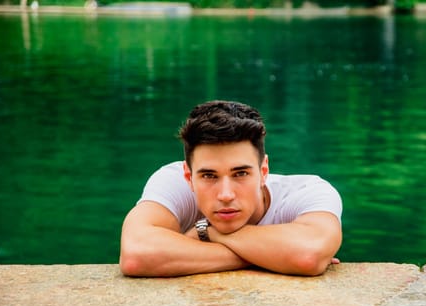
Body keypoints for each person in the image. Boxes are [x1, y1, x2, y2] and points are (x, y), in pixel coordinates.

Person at [119, 100, 343, 277]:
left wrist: (204, 232)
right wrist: (272, 257)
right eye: (209, 176)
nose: (226, 195)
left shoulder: (309, 191)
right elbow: (136, 254)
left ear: (264, 171)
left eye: (241, 174)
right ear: (188, 176)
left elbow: (307, 256)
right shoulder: (172, 180)